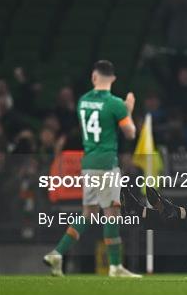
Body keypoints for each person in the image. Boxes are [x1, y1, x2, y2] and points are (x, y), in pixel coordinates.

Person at [43, 60, 141, 278]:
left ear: (93, 77)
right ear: (113, 79)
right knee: (112, 214)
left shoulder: (82, 101)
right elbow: (130, 133)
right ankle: (115, 267)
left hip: (88, 164)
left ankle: (58, 253)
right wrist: (129, 110)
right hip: (106, 163)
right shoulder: (115, 103)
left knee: (89, 213)